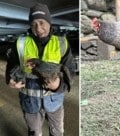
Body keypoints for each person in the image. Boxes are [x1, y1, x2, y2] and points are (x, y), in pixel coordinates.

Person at [5, 3, 75, 136]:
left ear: (49, 22)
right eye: (34, 24)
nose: (38, 28)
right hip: (30, 103)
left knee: (57, 132)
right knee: (34, 132)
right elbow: (11, 64)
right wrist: (9, 80)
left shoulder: (61, 43)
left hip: (54, 101)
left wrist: (58, 86)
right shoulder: (20, 43)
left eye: (42, 22)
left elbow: (70, 72)